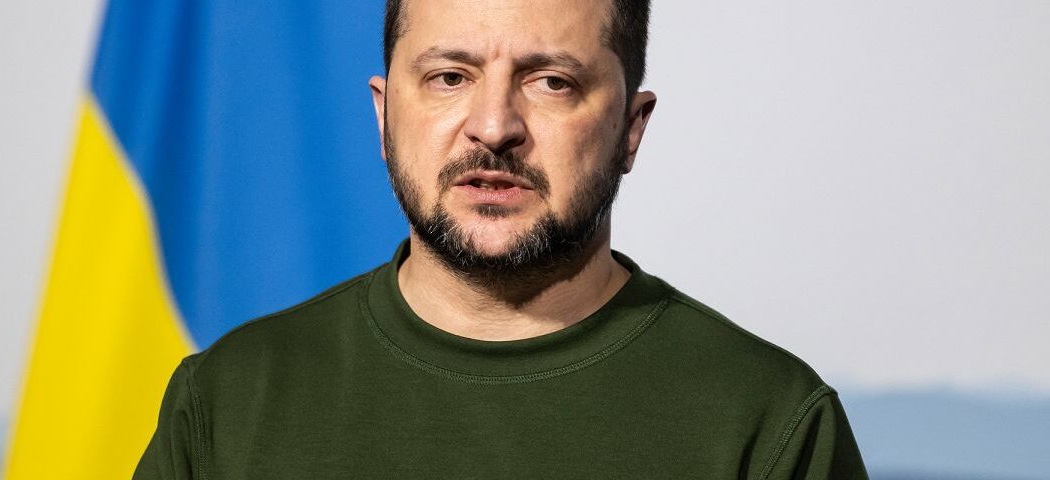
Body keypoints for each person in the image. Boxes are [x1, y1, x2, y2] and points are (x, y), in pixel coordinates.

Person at [134, 0, 868, 478]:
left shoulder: (770, 423)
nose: (493, 127)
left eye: (551, 82)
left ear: (631, 128)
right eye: (449, 77)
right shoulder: (227, 402)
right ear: (384, 117)